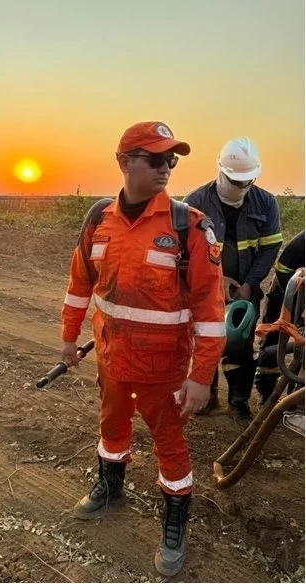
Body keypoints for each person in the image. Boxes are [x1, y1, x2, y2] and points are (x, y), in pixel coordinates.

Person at [60, 121, 225, 577]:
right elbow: (80, 287)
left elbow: (211, 312)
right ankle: (110, 488)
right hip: (113, 362)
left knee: (170, 449)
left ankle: (175, 526)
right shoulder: (98, 220)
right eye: (154, 159)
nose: (166, 168)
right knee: (111, 432)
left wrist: (201, 377)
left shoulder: (189, 227)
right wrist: (69, 338)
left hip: (164, 372)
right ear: (123, 161)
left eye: (171, 160)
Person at [183, 138, 283, 421]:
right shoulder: (195, 203)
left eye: (247, 181)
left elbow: (270, 248)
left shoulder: (265, 203)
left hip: (245, 290)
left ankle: (238, 402)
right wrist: (218, 280)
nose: (242, 187)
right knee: (206, 343)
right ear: (220, 170)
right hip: (205, 290)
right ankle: (208, 395)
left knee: (240, 344)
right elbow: (184, 254)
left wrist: (250, 284)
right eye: (236, 181)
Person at [254, 230, 305, 403]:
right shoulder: (302, 241)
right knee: (273, 338)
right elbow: (283, 269)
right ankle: (266, 391)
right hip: (285, 289)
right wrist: (299, 304)